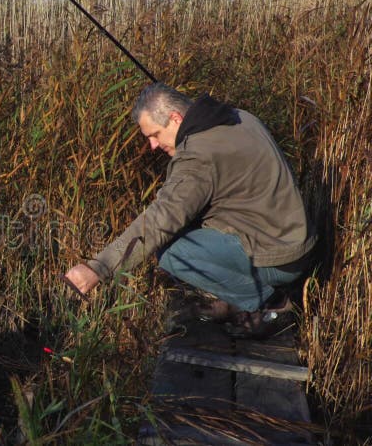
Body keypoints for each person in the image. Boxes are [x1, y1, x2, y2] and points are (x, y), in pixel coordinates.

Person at [63, 83, 316, 339]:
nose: (152, 145)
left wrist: (98, 268)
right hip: (292, 239)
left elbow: (159, 221)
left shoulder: (198, 157)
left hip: (279, 258)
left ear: (175, 118)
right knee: (189, 227)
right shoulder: (237, 117)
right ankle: (237, 299)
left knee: (172, 252)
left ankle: (272, 305)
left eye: (155, 134)